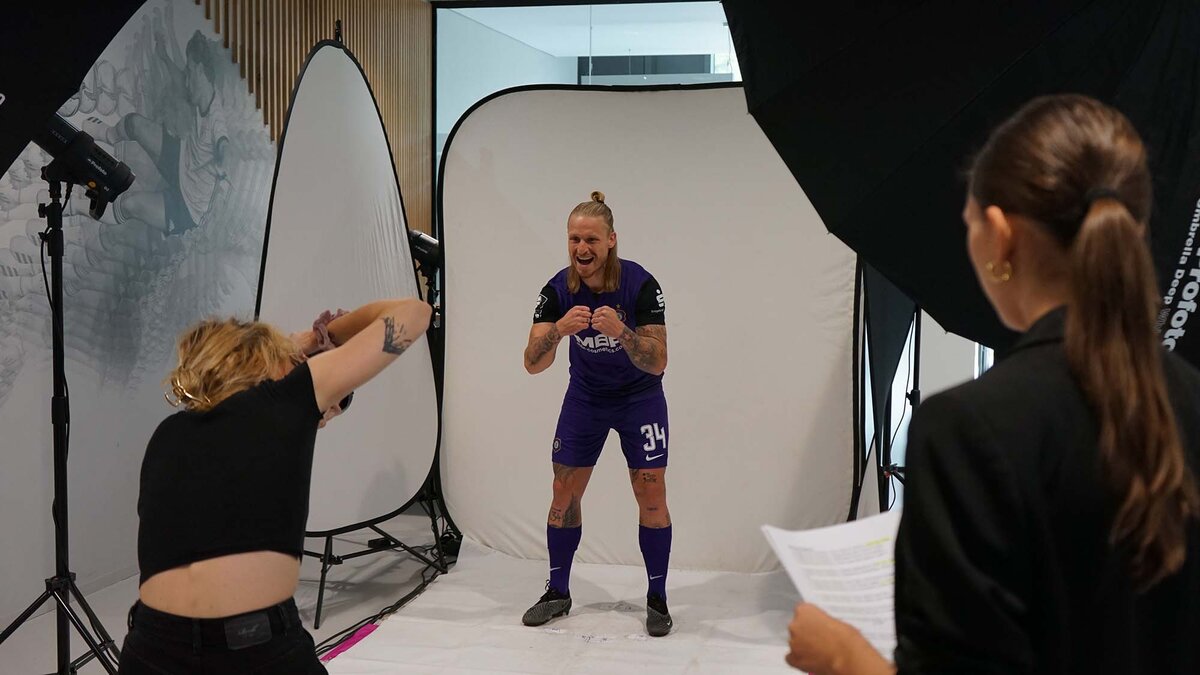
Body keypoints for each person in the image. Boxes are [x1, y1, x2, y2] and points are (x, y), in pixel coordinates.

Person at [784, 94, 1200, 674]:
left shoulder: (968, 430)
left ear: (1001, 236)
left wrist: (843, 657)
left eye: (970, 224)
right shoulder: (1189, 398)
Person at [118, 297, 431, 674]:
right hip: (254, 650)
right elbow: (415, 313)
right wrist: (318, 336)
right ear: (262, 362)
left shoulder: (168, 433)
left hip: (150, 647)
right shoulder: (284, 400)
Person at [521, 191, 673, 637]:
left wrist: (623, 332)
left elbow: (658, 361)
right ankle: (558, 592)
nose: (581, 248)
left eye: (591, 239)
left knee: (651, 492)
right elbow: (532, 363)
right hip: (585, 398)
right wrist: (558, 331)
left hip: (639, 398)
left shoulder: (641, 284)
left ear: (611, 240)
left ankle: (658, 597)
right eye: (574, 239)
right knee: (563, 490)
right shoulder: (557, 290)